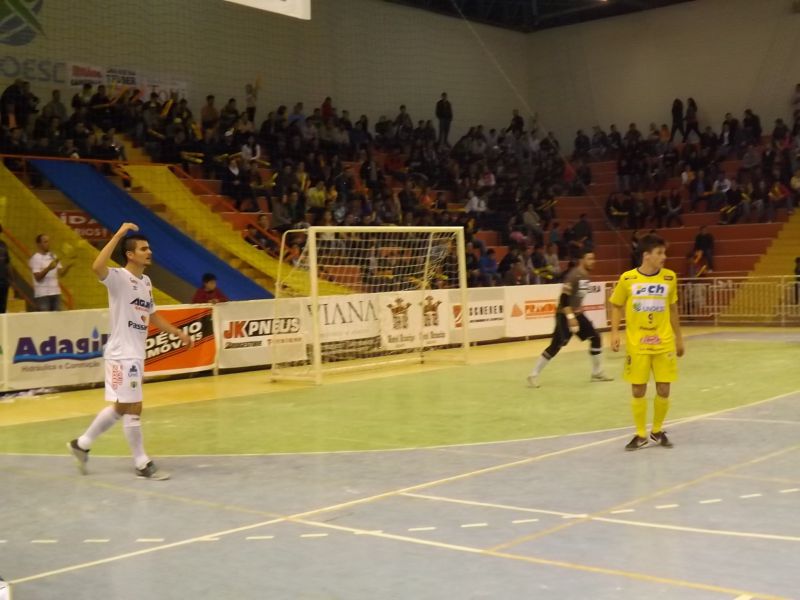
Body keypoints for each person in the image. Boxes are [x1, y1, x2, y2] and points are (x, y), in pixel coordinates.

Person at [68, 223, 193, 480]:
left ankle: (82, 444)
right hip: (121, 354)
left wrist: (178, 332)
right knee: (134, 405)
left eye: (149, 248)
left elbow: (153, 316)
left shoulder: (146, 282)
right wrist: (118, 234)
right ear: (130, 254)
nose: (149, 252)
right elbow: (97, 267)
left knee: (122, 407)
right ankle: (141, 462)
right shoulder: (118, 278)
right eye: (143, 249)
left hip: (134, 353)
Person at [609, 234, 685, 451]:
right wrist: (614, 333)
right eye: (659, 253)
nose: (664, 257)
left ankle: (657, 430)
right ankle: (641, 434)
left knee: (664, 388)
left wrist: (679, 338)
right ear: (646, 255)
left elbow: (673, 309)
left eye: (664, 252)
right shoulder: (628, 279)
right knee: (638, 390)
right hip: (637, 343)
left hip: (664, 342)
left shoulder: (669, 278)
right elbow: (616, 305)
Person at [527, 250, 613, 388]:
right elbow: (563, 299)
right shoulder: (574, 276)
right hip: (564, 315)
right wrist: (571, 317)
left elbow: (577, 297)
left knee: (596, 337)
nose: (593, 262)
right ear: (582, 260)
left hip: (577, 314)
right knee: (557, 345)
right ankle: (533, 375)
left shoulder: (586, 276)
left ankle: (597, 372)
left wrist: (579, 312)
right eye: (589, 259)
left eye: (593, 259)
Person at [29, 233, 71, 311]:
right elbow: (37, 278)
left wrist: (69, 266)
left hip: (56, 293)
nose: (48, 244)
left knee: (57, 318)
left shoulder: (53, 256)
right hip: (43, 295)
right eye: (45, 242)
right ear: (39, 244)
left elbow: (61, 273)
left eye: (48, 241)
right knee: (45, 318)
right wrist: (48, 268)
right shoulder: (35, 258)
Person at [0, 224, 8, 313]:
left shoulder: (3, 245)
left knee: (2, 308)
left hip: (3, 281)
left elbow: (7, 262)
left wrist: (11, 280)